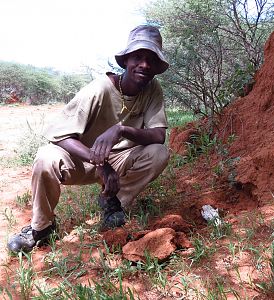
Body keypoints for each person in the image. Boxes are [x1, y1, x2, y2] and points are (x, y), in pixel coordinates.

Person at [7, 25, 170, 253]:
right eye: (138, 57)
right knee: (46, 157)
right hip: (82, 160)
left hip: (121, 159)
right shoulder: (99, 89)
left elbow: (158, 135)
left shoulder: (152, 89)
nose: (144, 64)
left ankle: (113, 204)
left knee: (158, 153)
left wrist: (121, 130)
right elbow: (59, 135)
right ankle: (41, 227)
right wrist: (101, 164)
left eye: (151, 59)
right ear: (126, 60)